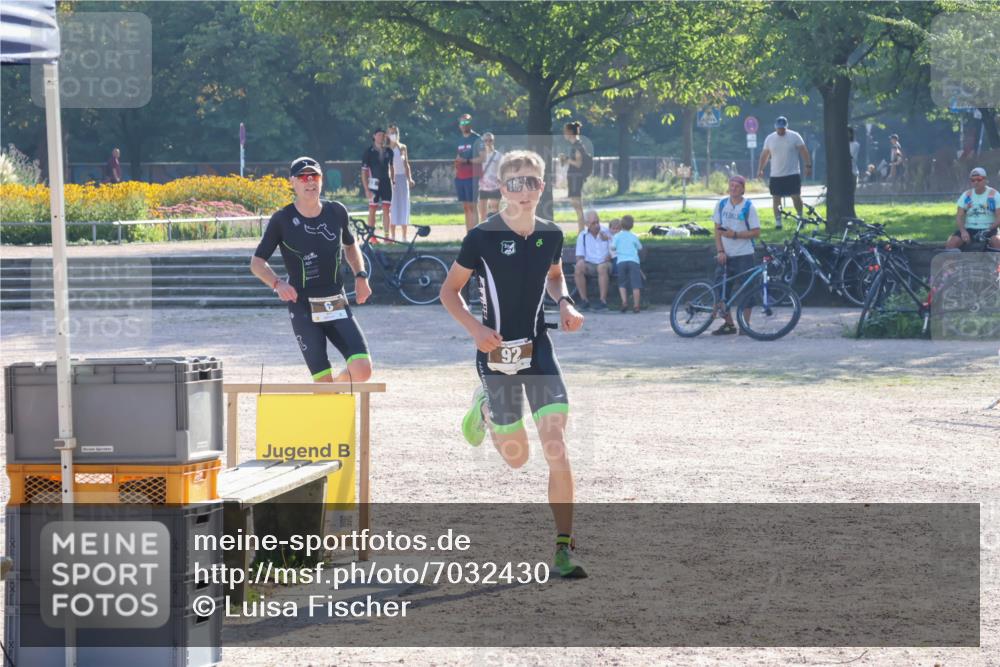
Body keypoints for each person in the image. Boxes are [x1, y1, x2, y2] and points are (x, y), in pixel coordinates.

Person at [439, 149, 587, 579]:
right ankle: (486, 408)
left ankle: (563, 547)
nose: (525, 191)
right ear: (502, 188)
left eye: (532, 182)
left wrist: (565, 302)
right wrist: (475, 330)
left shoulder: (551, 234)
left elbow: (555, 275)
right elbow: (449, 292)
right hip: (495, 353)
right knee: (518, 458)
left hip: (538, 350)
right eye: (516, 183)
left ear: (543, 186)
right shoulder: (481, 237)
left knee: (556, 446)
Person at [251, 157, 373, 382]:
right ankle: (330, 391)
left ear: (321, 180)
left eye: (314, 176)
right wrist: (278, 283)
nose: (309, 181)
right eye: (303, 177)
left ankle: (339, 386)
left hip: (335, 301)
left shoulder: (336, 211)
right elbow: (257, 263)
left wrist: (361, 275)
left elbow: (350, 245)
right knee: (323, 383)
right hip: (302, 306)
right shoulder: (282, 219)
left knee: (362, 370)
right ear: (292, 182)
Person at [711, 175, 761, 335]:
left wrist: (735, 235)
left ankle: (745, 325)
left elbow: (756, 232)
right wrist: (720, 251)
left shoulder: (748, 207)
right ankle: (729, 324)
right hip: (725, 255)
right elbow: (717, 229)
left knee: (747, 291)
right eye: (731, 185)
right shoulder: (721, 205)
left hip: (744, 255)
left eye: (737, 186)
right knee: (720, 290)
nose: (733, 188)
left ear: (743, 189)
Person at [757, 116, 811, 230]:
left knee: (795, 196)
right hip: (776, 174)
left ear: (786, 127)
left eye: (783, 128)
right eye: (779, 128)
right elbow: (765, 155)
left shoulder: (795, 136)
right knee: (776, 198)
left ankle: (800, 218)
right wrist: (760, 169)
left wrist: (808, 166)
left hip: (792, 173)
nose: (781, 130)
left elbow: (804, 151)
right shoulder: (770, 138)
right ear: (775, 127)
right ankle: (778, 222)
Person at [945, 167, 1000, 250]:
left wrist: (988, 230)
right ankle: (953, 258)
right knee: (951, 243)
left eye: (979, 179)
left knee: (997, 242)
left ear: (985, 180)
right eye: (973, 180)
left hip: (989, 229)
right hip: (969, 229)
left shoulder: (994, 194)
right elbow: (959, 216)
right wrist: (963, 231)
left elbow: (999, 217)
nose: (976, 182)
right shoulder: (966, 195)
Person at [574, 209, 612, 311]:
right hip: (590, 264)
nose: (596, 225)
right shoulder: (583, 235)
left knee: (601, 267)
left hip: (606, 263)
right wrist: (580, 261)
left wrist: (610, 255)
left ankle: (603, 301)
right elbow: (579, 255)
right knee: (578, 267)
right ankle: (584, 300)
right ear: (587, 224)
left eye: (597, 222)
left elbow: (615, 248)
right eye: (593, 223)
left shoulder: (607, 232)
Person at [362, 128, 393, 237]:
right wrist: (366, 189)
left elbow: (391, 167)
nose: (381, 137)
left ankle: (386, 236)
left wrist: (393, 181)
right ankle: (371, 236)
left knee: (386, 209)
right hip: (373, 183)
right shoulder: (368, 152)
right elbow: (364, 171)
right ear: (374, 136)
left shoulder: (389, 151)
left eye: (383, 135)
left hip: (386, 183)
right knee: (372, 208)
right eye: (379, 135)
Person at [560, 121, 588, 232]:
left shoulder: (577, 146)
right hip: (573, 178)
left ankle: (582, 231)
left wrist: (567, 159)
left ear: (570, 132)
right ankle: (582, 230)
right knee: (576, 205)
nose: (564, 134)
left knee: (578, 206)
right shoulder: (574, 146)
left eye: (565, 131)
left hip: (576, 179)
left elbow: (578, 163)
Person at [387, 124, 414, 241]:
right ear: (387, 134)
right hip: (391, 179)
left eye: (395, 133)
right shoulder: (386, 148)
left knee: (404, 205)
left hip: (402, 178)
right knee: (393, 206)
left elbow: (406, 163)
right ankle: (392, 236)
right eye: (391, 133)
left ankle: (404, 236)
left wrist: (410, 178)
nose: (393, 135)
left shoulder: (402, 147)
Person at [454, 113, 481, 231]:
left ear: (471, 123)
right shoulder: (459, 140)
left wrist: (466, 161)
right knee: (465, 207)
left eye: (466, 122)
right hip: (460, 177)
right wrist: (456, 165)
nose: (464, 124)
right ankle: (468, 234)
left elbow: (483, 158)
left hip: (472, 177)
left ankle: (476, 234)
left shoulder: (477, 139)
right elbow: (458, 157)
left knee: (472, 206)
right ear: (459, 125)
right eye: (462, 122)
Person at [612, 215, 643, 313]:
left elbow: (613, 247)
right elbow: (640, 247)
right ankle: (636, 305)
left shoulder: (617, 236)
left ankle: (624, 302)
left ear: (621, 225)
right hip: (633, 261)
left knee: (622, 283)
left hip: (621, 262)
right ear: (632, 225)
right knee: (635, 284)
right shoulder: (634, 236)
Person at [476, 132, 503, 222]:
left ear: (493, 141)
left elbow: (502, 170)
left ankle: (495, 228)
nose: (488, 142)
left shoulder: (499, 156)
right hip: (482, 186)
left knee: (494, 211)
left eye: (490, 140)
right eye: (485, 140)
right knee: (482, 214)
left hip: (495, 186)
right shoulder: (478, 155)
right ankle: (483, 229)